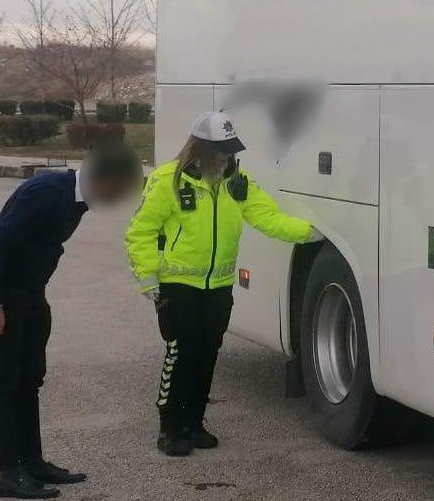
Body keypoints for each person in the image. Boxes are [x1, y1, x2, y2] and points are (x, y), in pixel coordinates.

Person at [125, 111, 321, 457]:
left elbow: (268, 217)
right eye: (220, 151)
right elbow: (140, 232)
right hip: (178, 285)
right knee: (180, 354)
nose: (227, 157)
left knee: (207, 355)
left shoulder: (236, 182)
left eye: (230, 151)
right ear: (199, 148)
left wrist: (311, 234)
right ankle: (170, 427)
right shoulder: (168, 181)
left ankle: (195, 422)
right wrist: (149, 279)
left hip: (218, 286)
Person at [0, 143, 144, 499]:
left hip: (29, 297)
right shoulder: (44, 194)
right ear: (103, 178)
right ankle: (8, 473)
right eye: (120, 189)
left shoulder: (77, 201)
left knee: (29, 380)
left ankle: (32, 462)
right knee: (3, 382)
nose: (120, 197)